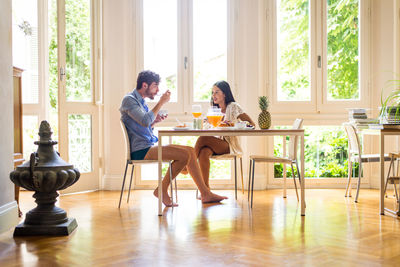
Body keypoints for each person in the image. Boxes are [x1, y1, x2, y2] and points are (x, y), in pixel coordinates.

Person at [120, 70, 227, 207]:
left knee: (189, 150)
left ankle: (205, 193)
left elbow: (144, 124)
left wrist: (154, 122)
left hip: (147, 145)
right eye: (155, 86)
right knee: (184, 155)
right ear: (145, 85)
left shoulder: (140, 102)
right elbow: (145, 120)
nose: (157, 90)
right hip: (141, 150)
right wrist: (161, 103)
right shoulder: (129, 100)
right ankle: (162, 189)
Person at [194, 80, 255, 190]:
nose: (214, 95)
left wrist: (235, 126)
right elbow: (206, 126)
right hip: (215, 143)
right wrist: (206, 122)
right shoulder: (214, 110)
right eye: (213, 93)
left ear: (225, 93)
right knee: (203, 152)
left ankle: (189, 164)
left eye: (217, 92)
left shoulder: (233, 107)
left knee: (203, 138)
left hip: (229, 145)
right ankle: (206, 190)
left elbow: (252, 124)